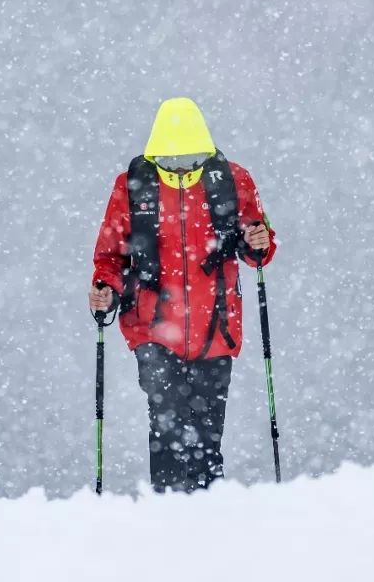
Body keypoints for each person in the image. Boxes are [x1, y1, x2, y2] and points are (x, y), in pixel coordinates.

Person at [89, 97, 277, 493]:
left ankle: (207, 511)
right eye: (171, 162)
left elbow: (258, 242)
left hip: (217, 329)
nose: (181, 169)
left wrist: (258, 242)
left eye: (190, 161)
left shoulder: (233, 180)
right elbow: (111, 256)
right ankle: (171, 505)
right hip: (152, 331)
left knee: (208, 430)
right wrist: (105, 289)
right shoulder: (132, 186)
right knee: (167, 416)